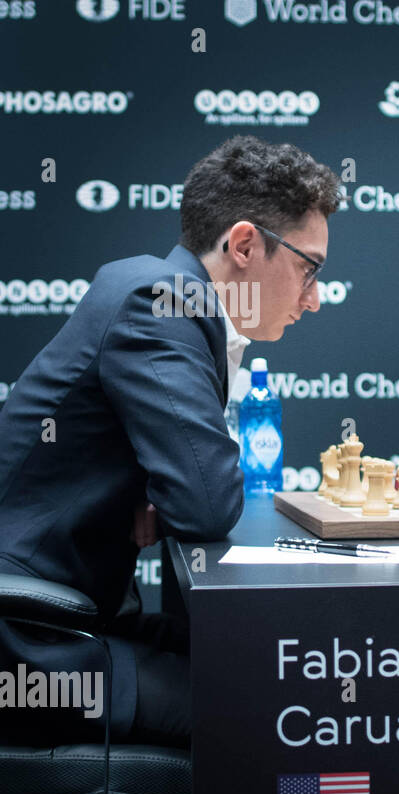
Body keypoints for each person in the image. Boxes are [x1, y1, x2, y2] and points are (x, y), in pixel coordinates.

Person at [0, 136, 341, 745]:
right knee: (268, 715)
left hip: (67, 615)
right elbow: (206, 505)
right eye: (308, 267)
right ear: (243, 245)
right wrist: (173, 489)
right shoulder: (160, 303)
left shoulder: (174, 303)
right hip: (30, 642)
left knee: (269, 667)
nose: (314, 299)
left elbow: (187, 493)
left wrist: (162, 488)